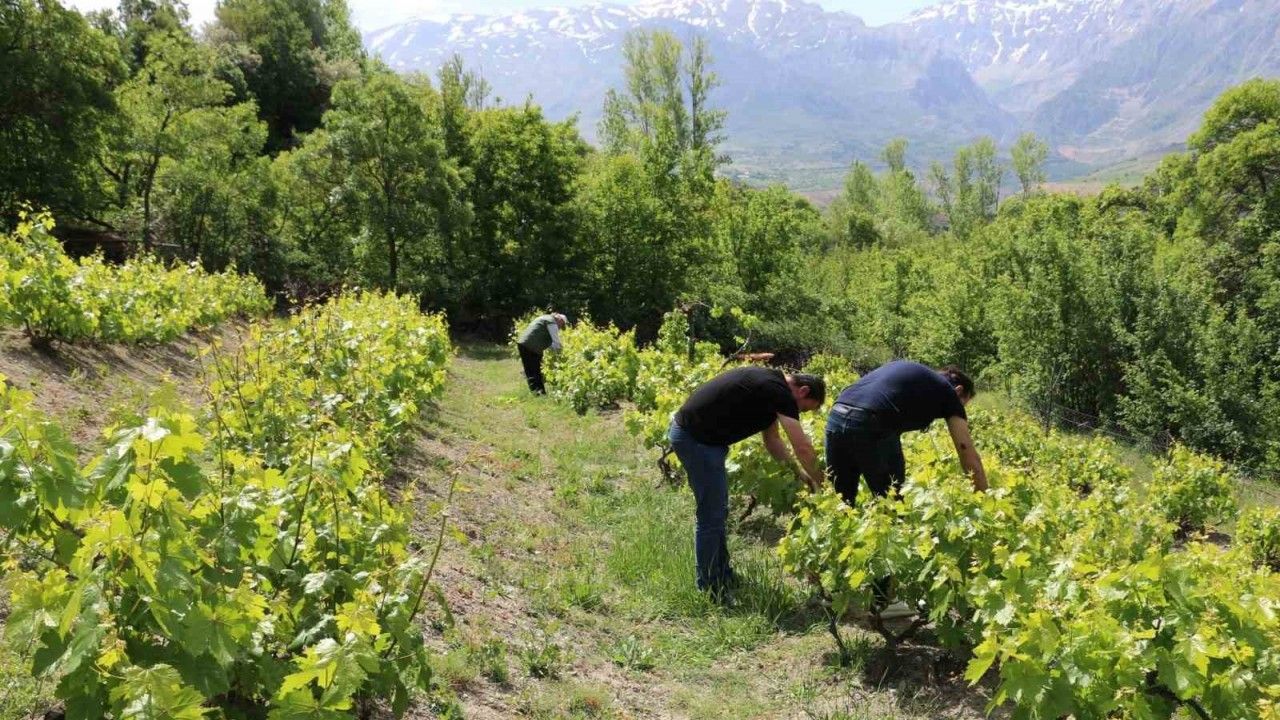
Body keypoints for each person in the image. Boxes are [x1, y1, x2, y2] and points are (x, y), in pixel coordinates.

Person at [825, 360, 986, 618]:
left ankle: (828, 592)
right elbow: (966, 451)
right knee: (891, 509)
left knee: (841, 505)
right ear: (958, 391)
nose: (960, 409)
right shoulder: (947, 393)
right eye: (965, 403)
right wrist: (982, 499)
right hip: (871, 425)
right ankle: (884, 601)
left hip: (837, 416)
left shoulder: (916, 376)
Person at [668, 366, 825, 599]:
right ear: (802, 391)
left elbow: (772, 441)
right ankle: (711, 588)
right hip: (697, 441)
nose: (798, 412)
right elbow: (801, 446)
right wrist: (823, 484)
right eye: (803, 408)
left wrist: (800, 474)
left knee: (717, 511)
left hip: (703, 440)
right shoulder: (778, 390)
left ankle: (722, 575)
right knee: (711, 516)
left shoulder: (770, 386)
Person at [515, 313, 567, 394]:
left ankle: (535, 392)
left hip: (523, 343)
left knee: (529, 370)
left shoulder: (544, 318)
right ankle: (540, 393)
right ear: (560, 320)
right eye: (561, 325)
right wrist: (562, 357)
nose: (559, 328)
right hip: (532, 346)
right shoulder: (552, 322)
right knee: (536, 370)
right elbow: (556, 343)